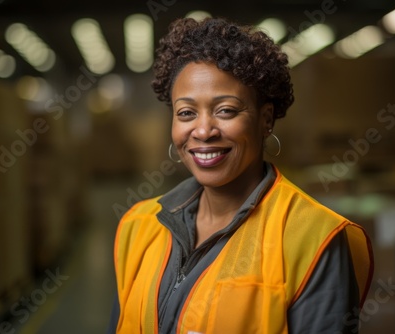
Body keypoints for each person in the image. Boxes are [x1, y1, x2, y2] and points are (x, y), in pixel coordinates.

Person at [108, 17, 373, 334]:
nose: (203, 131)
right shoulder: (138, 227)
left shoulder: (313, 239)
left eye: (226, 110)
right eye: (186, 113)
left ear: (266, 120)